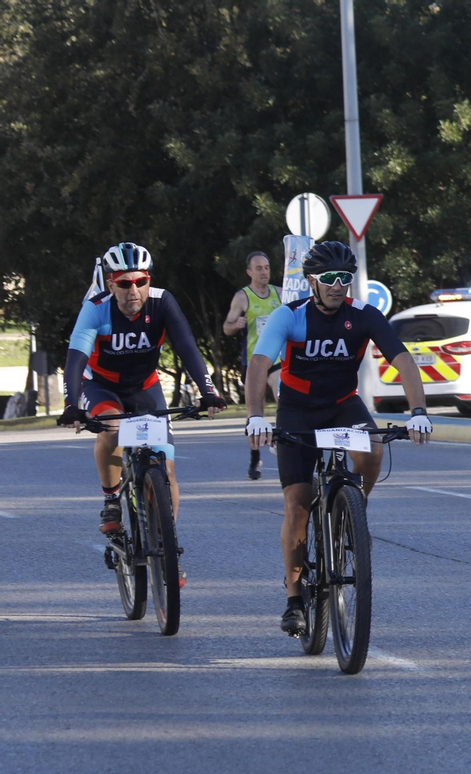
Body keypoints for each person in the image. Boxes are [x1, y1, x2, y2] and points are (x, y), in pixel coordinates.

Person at [243, 240, 432, 635]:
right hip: (297, 410)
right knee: (297, 503)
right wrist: (256, 418)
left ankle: (353, 511)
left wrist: (418, 413)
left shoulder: (364, 315)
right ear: (311, 280)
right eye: (328, 279)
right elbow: (259, 365)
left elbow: (402, 360)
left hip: (343, 404)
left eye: (344, 279)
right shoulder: (289, 315)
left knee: (374, 446)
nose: (336, 286)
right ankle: (294, 598)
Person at [57, 242, 228, 583]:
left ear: (149, 281)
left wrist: (208, 391)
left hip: (145, 387)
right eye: (124, 283)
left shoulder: (162, 302)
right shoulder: (96, 309)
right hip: (101, 386)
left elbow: (187, 347)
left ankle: (166, 545)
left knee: (166, 468)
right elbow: (76, 357)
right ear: (110, 284)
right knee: (113, 428)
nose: (133, 290)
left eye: (140, 281)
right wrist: (71, 404)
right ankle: (110, 500)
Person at [223, 250, 282, 480]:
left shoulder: (279, 293)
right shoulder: (243, 297)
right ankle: (255, 457)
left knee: (282, 392)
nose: (264, 272)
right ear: (249, 272)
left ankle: (279, 437)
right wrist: (235, 324)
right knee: (255, 412)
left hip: (277, 359)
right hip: (254, 360)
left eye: (266, 267)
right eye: (259, 268)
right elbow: (226, 328)